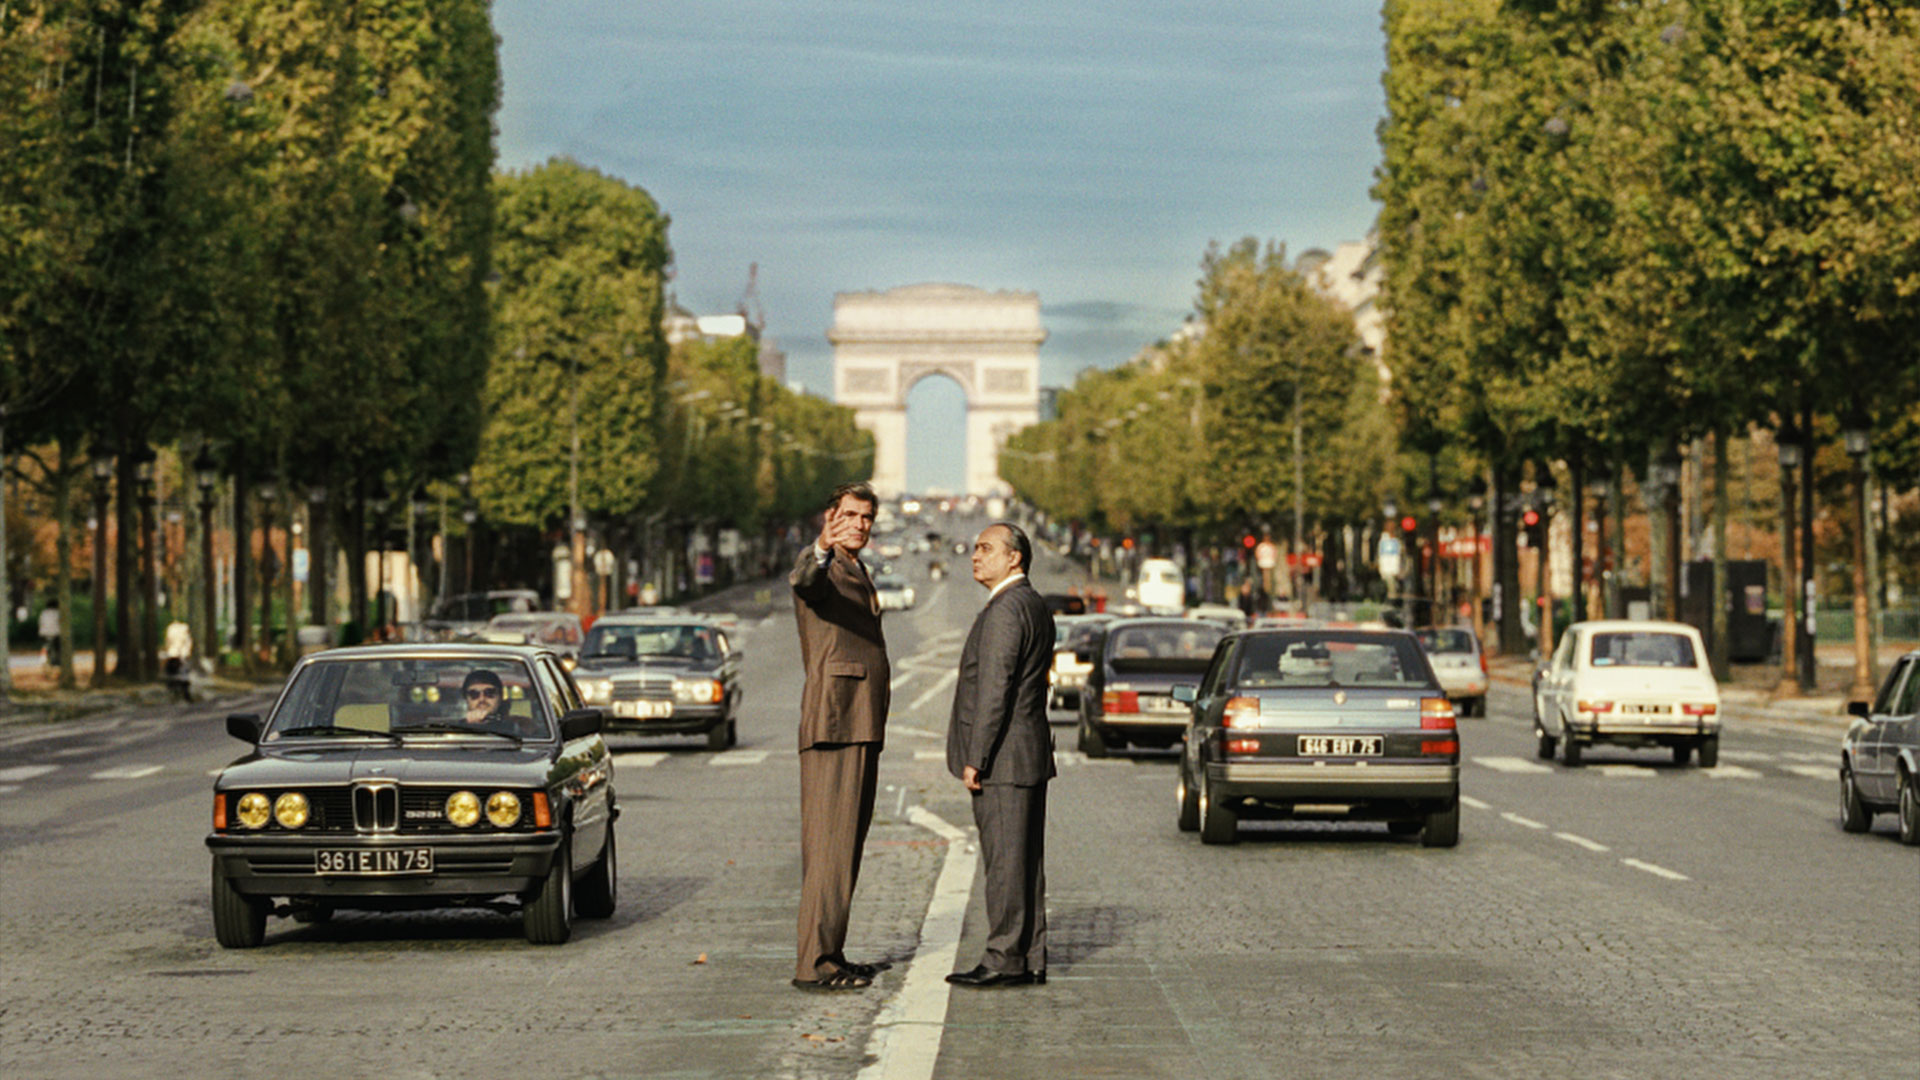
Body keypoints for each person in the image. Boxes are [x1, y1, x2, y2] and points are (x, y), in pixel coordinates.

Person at [789, 481, 892, 992]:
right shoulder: (824, 565)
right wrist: (821, 549)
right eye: (849, 515)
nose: (859, 524)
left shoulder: (856, 566)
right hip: (837, 720)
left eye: (866, 517)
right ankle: (815, 963)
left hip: (857, 719)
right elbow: (805, 580)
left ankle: (831, 951)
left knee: (843, 846)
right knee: (830, 848)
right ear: (829, 518)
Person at [945, 521, 1055, 989]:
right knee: (1025, 864)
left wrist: (977, 757)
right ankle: (1029, 955)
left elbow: (995, 690)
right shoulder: (1032, 602)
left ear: (1015, 558)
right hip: (1026, 753)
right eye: (975, 548)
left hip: (1005, 758)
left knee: (1006, 865)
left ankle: (1003, 958)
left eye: (987, 548)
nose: (976, 555)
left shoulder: (1006, 610)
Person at [38, 600, 60, 668]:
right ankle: (56, 662)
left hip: (43, 633)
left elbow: (40, 622)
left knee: (45, 646)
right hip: (55, 633)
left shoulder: (43, 613)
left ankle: (43, 660)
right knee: (57, 648)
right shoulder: (57, 612)